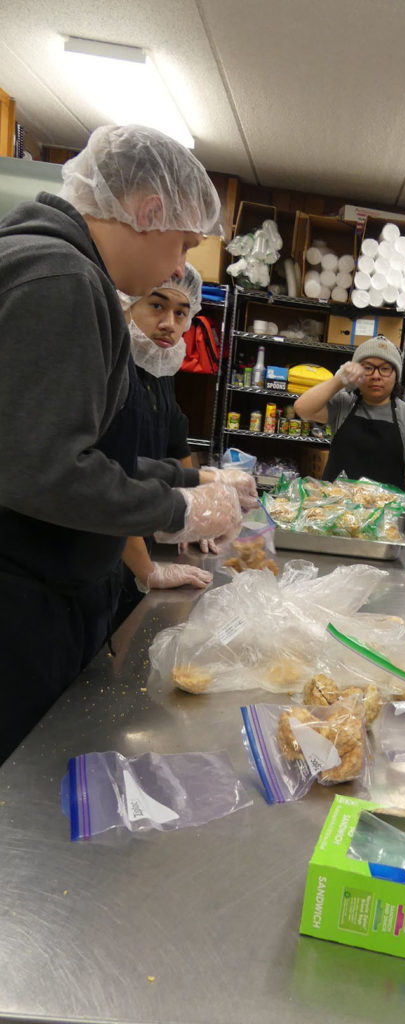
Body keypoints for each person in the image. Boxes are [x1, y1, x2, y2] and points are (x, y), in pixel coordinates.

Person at [0, 124, 249, 764]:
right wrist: (174, 511)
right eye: (182, 244)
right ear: (148, 210)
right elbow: (44, 470)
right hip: (19, 603)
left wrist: (190, 482)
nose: (176, 268)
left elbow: (87, 452)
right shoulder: (60, 278)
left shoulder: (58, 268)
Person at [116, 264, 258, 623]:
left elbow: (178, 446)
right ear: (126, 304)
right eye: (157, 306)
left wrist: (199, 511)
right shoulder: (114, 373)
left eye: (181, 313)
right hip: (110, 544)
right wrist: (149, 570)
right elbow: (114, 480)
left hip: (140, 530)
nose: (170, 324)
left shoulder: (159, 371)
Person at [293, 335, 405, 518]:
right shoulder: (343, 405)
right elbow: (302, 409)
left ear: (396, 375)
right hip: (332, 514)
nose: (376, 376)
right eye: (367, 368)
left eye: (384, 369)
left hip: (384, 519)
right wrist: (339, 381)